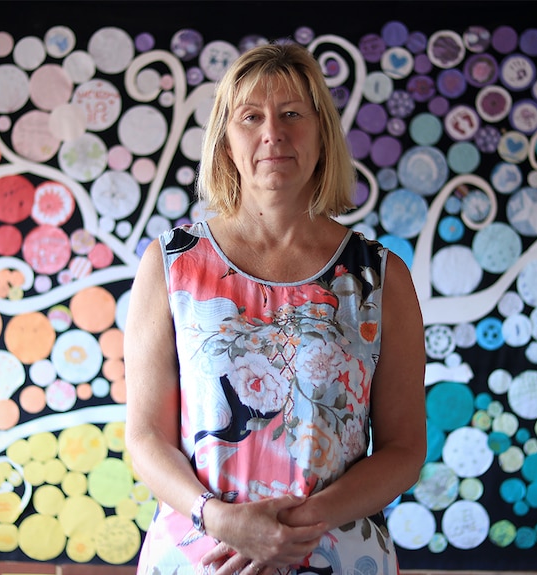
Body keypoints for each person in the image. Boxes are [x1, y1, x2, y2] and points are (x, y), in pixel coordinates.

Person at [124, 41, 427, 575]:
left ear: (321, 133)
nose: (273, 132)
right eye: (250, 116)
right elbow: (146, 437)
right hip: (201, 555)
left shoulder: (379, 276)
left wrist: (295, 525)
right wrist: (217, 518)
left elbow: (404, 449)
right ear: (225, 139)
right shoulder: (171, 264)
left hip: (338, 556)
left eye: (292, 113)